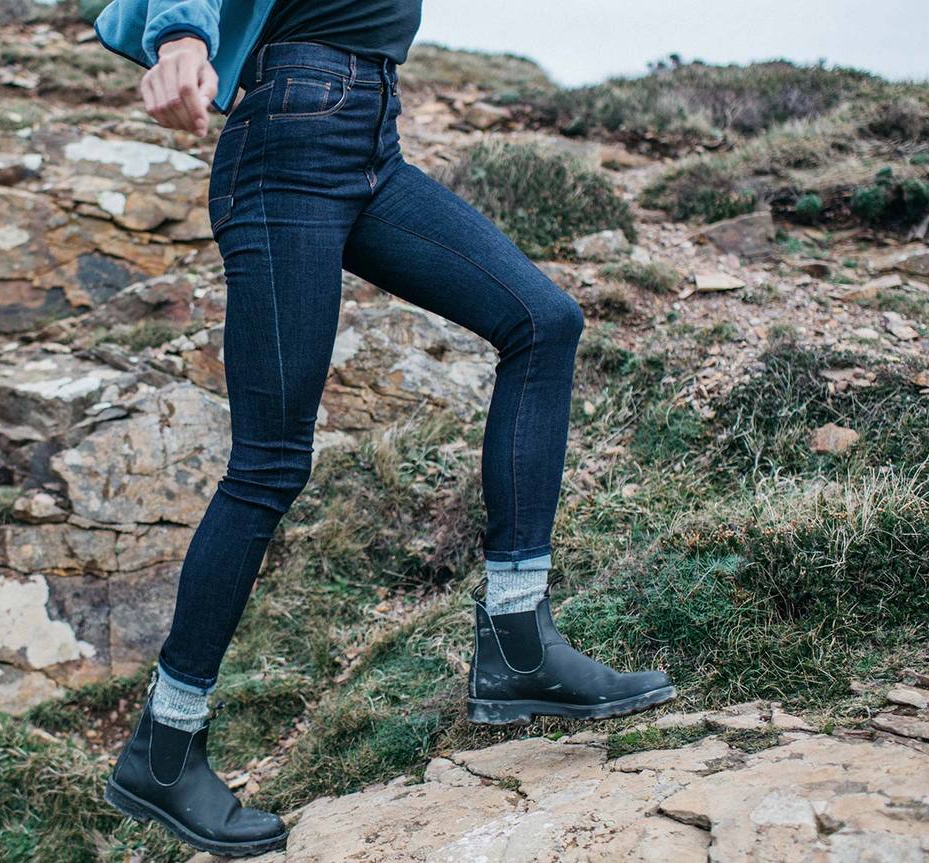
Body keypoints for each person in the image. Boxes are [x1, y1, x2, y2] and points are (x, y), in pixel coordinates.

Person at [95, 0, 677, 856]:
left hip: (370, 132)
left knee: (543, 321)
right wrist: (182, 32)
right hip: (289, 138)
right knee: (270, 464)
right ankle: (165, 745)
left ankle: (517, 642)